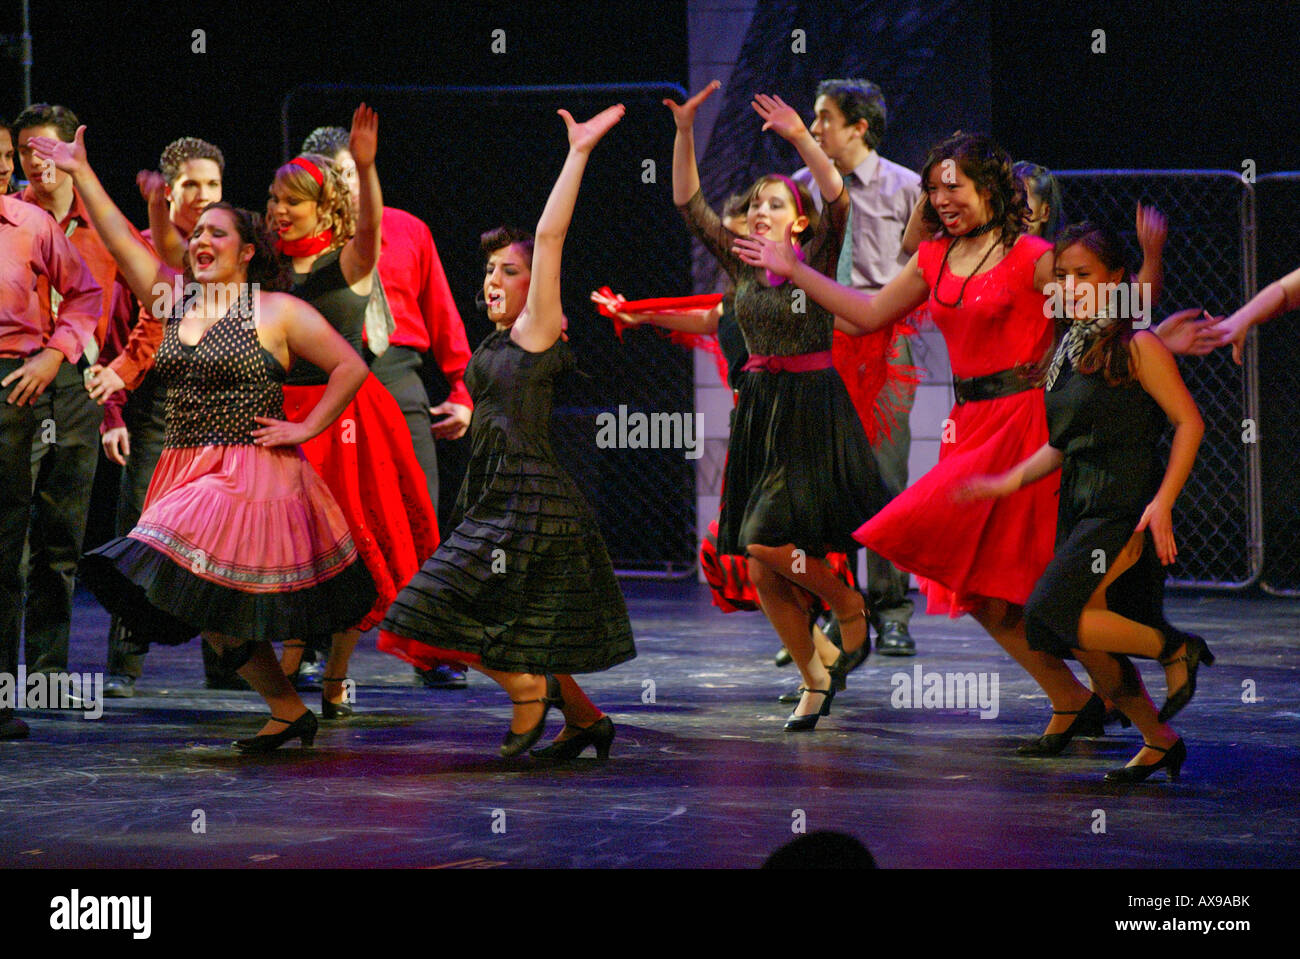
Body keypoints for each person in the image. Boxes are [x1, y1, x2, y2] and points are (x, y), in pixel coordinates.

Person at [734, 131, 1218, 750]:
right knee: (979, 596)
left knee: (1042, 589)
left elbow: (1101, 303)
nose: (939, 199)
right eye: (932, 189)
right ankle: (1070, 700)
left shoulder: (1033, 257)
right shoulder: (935, 258)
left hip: (1028, 429)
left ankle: (1143, 716)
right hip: (968, 430)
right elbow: (868, 311)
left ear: (989, 187)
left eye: (951, 187)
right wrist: (795, 270)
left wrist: (1150, 334)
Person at [31, 125, 376, 750]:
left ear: (247, 251)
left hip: (247, 474)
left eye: (219, 233)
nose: (202, 242)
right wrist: (82, 173)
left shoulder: (275, 310)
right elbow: (116, 238)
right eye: (199, 234)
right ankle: (287, 709)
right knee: (210, 615)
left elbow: (350, 366)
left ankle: (295, 700)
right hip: (182, 465)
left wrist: (306, 426)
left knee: (209, 595)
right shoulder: (173, 298)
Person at [379, 104, 635, 760]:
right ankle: (584, 720)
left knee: (421, 606)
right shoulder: (496, 343)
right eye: (489, 271)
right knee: (516, 620)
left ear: (536, 287)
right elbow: (498, 399)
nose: (494, 280)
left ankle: (527, 691)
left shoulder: (536, 328)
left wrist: (577, 153)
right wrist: (470, 414)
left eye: (509, 271)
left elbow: (550, 238)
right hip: (495, 491)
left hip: (529, 499)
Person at [670, 81, 888, 731]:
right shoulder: (740, 267)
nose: (760, 211)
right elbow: (689, 203)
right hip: (761, 409)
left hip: (812, 407)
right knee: (759, 563)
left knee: (763, 541)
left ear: (796, 221)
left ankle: (849, 605)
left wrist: (800, 136)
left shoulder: (815, 254)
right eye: (756, 203)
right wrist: (684, 133)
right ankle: (814, 676)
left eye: (775, 203)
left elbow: (837, 199)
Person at [960, 222, 1209, 781]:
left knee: (1053, 615)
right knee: (1061, 627)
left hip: (1123, 506)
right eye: (1064, 276)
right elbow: (1060, 445)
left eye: (1085, 275)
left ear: (1115, 279)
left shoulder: (1137, 344)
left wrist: (1163, 502)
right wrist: (1005, 482)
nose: (1070, 285)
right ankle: (1158, 738)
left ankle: (1174, 648)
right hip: (1079, 505)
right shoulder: (1068, 350)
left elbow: (1189, 422)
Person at [265, 105, 440, 719]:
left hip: (340, 418)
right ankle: (290, 662)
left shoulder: (350, 264)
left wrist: (365, 170)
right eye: (274, 198)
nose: (279, 210)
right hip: (278, 416)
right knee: (287, 548)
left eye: (293, 200)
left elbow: (368, 230)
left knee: (349, 547)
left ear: (323, 206)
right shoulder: (270, 271)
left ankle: (335, 672)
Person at [300, 124, 474, 692]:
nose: (349, 188)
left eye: (356, 174)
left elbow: (442, 313)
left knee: (418, 512)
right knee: (320, 520)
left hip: (395, 374)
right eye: (339, 178)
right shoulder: (299, 243)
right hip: (325, 380)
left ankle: (430, 647)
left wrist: (462, 392)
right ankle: (313, 649)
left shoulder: (406, 230)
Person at [99, 136, 240, 696]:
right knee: (142, 533)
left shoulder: (233, 246)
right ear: (169, 188)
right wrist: (112, 413)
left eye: (213, 185)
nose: (203, 196)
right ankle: (125, 665)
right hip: (155, 409)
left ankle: (227, 664)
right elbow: (116, 334)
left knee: (220, 537)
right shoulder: (140, 249)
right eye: (191, 185)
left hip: (217, 410)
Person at [794, 77, 923, 658]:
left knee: (884, 480)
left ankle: (892, 611)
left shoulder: (905, 188)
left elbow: (926, 265)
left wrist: (876, 315)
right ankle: (828, 613)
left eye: (823, 118)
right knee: (820, 484)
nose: (814, 128)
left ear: (858, 126)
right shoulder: (801, 188)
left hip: (884, 343)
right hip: (820, 344)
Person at [12, 104, 137, 680]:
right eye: (25, 151)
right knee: (11, 535)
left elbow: (157, 299)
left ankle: (45, 674)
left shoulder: (105, 226)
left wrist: (119, 384)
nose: (37, 162)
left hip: (78, 384)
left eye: (48, 149)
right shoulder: (15, 217)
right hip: (20, 379)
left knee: (61, 539)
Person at [0, 116, 103, 741]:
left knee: (10, 546)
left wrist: (53, 352)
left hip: (14, 387)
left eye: (5, 155)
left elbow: (87, 294)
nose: (2, 166)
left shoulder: (30, 225)